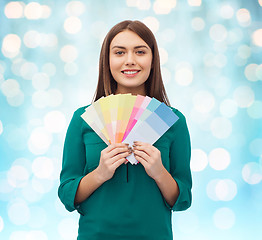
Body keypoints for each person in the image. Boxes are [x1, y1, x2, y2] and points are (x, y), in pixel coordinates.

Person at [58, 20, 192, 240]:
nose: (130, 60)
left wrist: (159, 172)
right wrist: (100, 173)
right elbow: (66, 194)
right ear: (107, 61)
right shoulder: (83, 119)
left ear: (153, 59)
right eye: (119, 52)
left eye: (140, 51)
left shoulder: (173, 121)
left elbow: (183, 199)